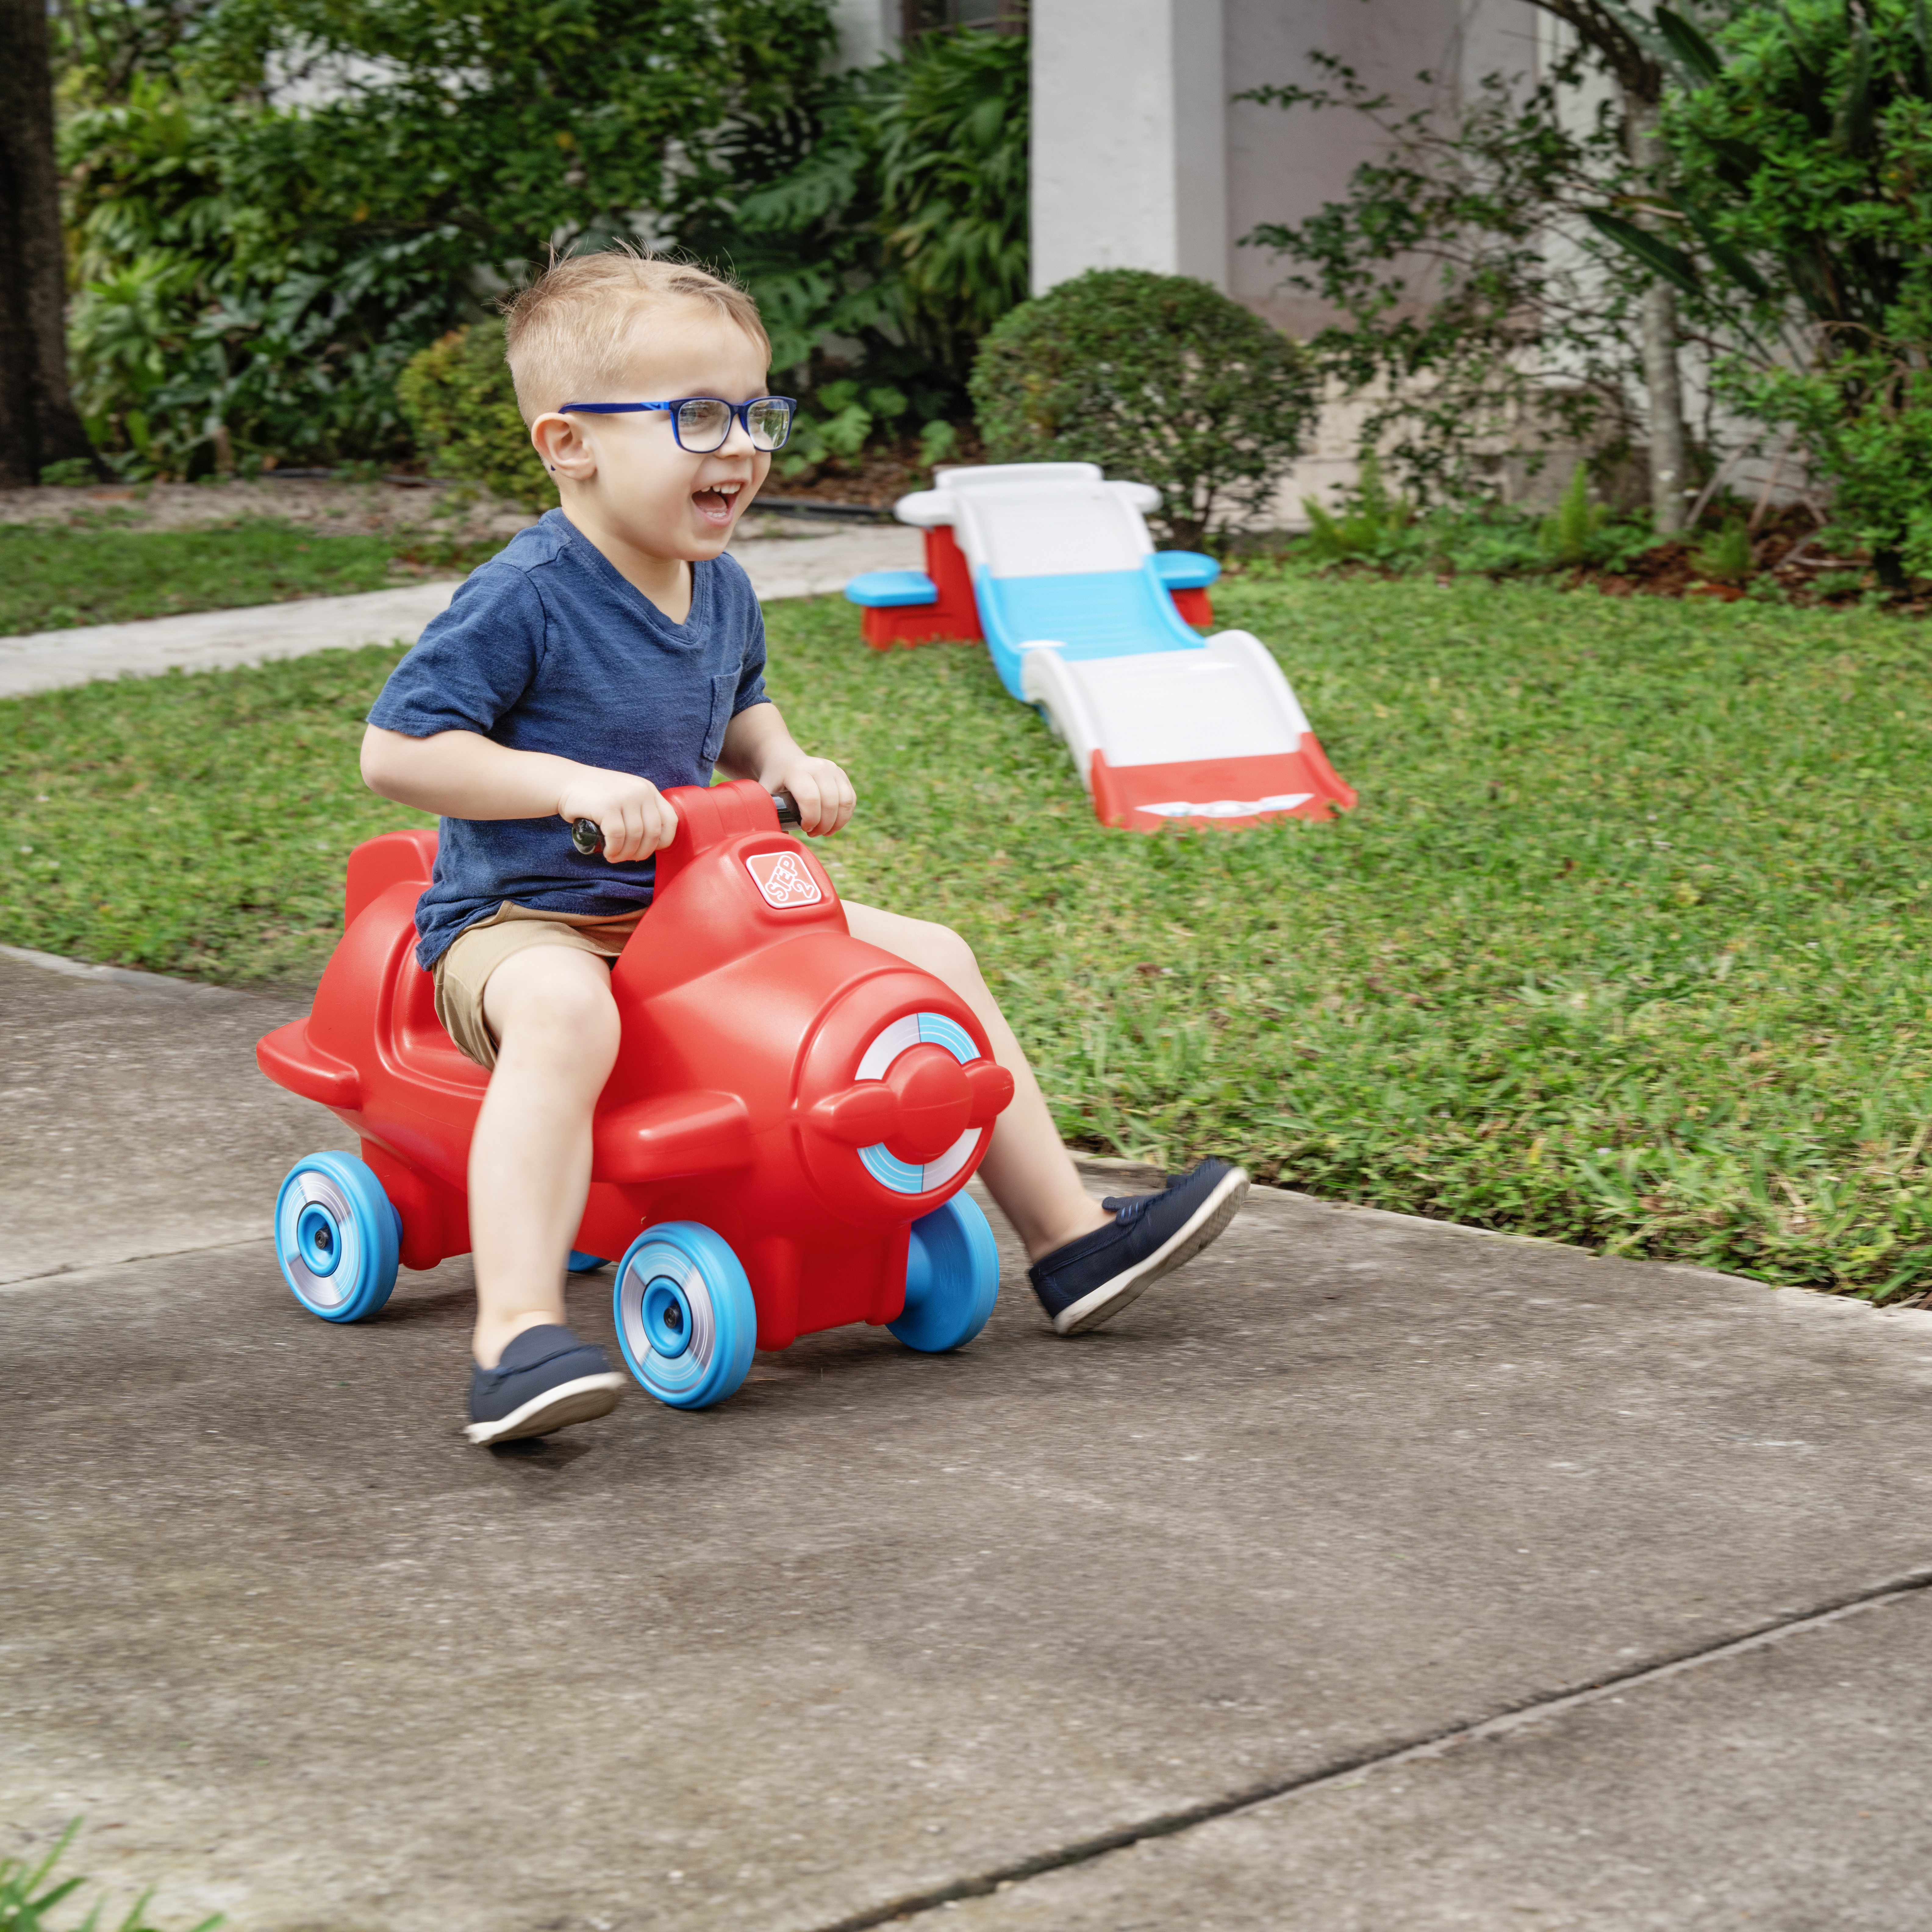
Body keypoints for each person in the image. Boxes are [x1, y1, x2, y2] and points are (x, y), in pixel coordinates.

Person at [359, 251, 1249, 1447]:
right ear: (570, 445)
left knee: (929, 955)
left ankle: (1069, 1240)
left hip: (688, 911)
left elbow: (737, 707)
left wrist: (777, 759)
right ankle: (514, 1331)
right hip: (529, 921)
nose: (742, 449)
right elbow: (399, 752)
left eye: (756, 413)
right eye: (699, 418)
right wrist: (568, 785)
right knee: (569, 1016)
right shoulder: (526, 596)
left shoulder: (715, 585)